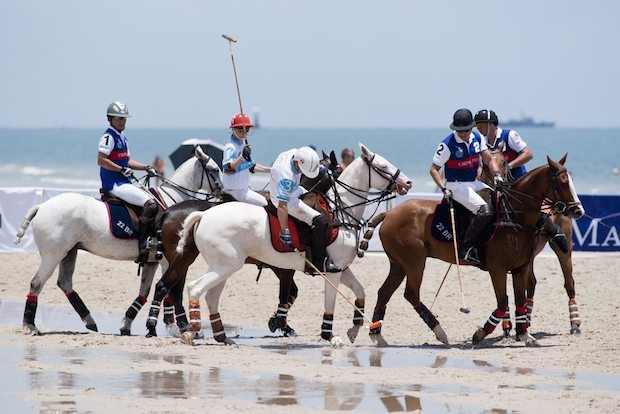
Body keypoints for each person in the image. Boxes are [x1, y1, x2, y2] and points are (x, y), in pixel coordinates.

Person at [474, 109, 568, 252]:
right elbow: (481, 166)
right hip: (498, 186)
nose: (478, 129)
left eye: (480, 125)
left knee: (530, 210)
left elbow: (528, 154)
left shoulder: (509, 135)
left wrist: (508, 167)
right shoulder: (482, 142)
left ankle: (556, 231)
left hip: (519, 182)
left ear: (489, 124)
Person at [430, 108, 503, 265]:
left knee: (500, 198)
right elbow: (433, 170)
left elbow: (489, 159)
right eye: (460, 131)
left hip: (474, 183)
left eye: (466, 130)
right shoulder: (447, 144)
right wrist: (443, 189)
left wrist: (496, 174)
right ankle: (467, 248)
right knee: (484, 211)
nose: (463, 133)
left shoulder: (477, 137)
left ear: (472, 127)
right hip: (456, 185)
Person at [97, 101, 159, 263]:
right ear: (110, 119)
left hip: (125, 181)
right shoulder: (108, 137)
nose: (122, 121)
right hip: (115, 184)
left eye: (124, 119)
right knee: (150, 204)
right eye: (118, 118)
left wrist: (146, 167)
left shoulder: (122, 137)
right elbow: (101, 160)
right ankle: (143, 244)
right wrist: (120, 170)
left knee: (155, 199)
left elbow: (127, 160)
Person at [269, 146, 341, 273]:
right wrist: (284, 230)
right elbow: (282, 206)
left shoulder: (295, 153)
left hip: (295, 189)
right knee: (320, 221)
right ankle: (320, 262)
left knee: (314, 188)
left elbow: (311, 166)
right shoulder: (286, 177)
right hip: (286, 199)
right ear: (298, 163)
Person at [222, 113, 270, 206]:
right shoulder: (231, 147)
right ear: (233, 129)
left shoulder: (243, 144)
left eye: (246, 130)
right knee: (265, 204)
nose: (244, 133)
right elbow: (228, 168)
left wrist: (272, 170)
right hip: (236, 192)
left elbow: (251, 167)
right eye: (240, 130)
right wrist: (242, 157)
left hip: (245, 189)